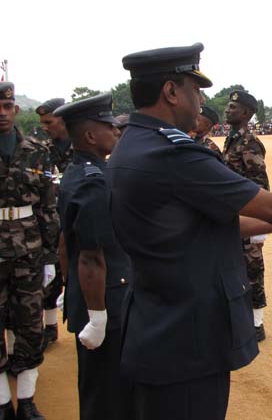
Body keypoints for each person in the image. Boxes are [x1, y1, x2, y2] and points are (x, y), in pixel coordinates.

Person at [105, 42, 272, 420]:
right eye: (196, 89)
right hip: (188, 335)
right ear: (171, 91)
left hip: (160, 323)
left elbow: (206, 222)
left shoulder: (135, 144)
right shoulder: (172, 153)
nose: (202, 100)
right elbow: (271, 203)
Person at [54, 93, 133, 420]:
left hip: (94, 297)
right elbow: (90, 257)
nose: (116, 131)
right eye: (108, 127)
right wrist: (98, 316)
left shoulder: (79, 172)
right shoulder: (94, 182)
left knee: (100, 389)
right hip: (104, 303)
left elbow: (64, 243)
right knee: (106, 395)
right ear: (89, 136)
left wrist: (67, 284)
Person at [0, 82, 60, 420]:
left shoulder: (36, 150)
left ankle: (25, 400)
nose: (2, 114)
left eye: (7, 107)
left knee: (29, 324)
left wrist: (50, 255)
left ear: (15, 110)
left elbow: (47, 207)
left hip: (28, 249)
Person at [223, 90, 270, 341]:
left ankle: (256, 324)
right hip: (233, 216)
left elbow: (261, 184)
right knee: (235, 267)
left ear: (246, 114)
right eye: (229, 106)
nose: (228, 110)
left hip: (249, 217)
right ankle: (241, 319)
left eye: (233, 107)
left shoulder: (249, 142)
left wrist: (261, 225)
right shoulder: (231, 139)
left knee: (253, 268)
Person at [35, 98, 73, 350]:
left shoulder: (84, 144)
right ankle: (49, 327)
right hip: (50, 220)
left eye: (50, 122)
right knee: (49, 276)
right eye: (43, 124)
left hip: (76, 218)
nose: (46, 127)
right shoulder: (41, 150)